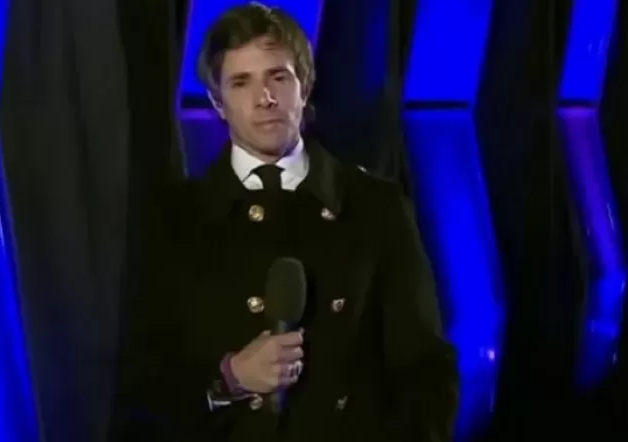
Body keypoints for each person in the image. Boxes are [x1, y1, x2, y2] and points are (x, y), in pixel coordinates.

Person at [109, 3, 459, 441]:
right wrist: (230, 377)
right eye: (241, 82)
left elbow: (426, 372)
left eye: (278, 77)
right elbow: (143, 385)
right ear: (217, 102)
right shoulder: (175, 219)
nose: (265, 98)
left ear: (304, 85)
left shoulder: (374, 206)